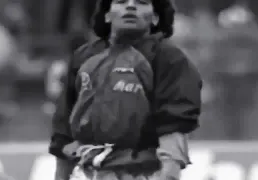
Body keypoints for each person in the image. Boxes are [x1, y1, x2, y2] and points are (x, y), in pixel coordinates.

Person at [49, 0, 202, 180]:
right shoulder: (83, 57)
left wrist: (169, 172)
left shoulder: (169, 59)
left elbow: (175, 121)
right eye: (121, 1)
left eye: (142, 2)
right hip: (88, 172)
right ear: (107, 15)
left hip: (144, 173)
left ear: (155, 18)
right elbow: (65, 127)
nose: (130, 6)